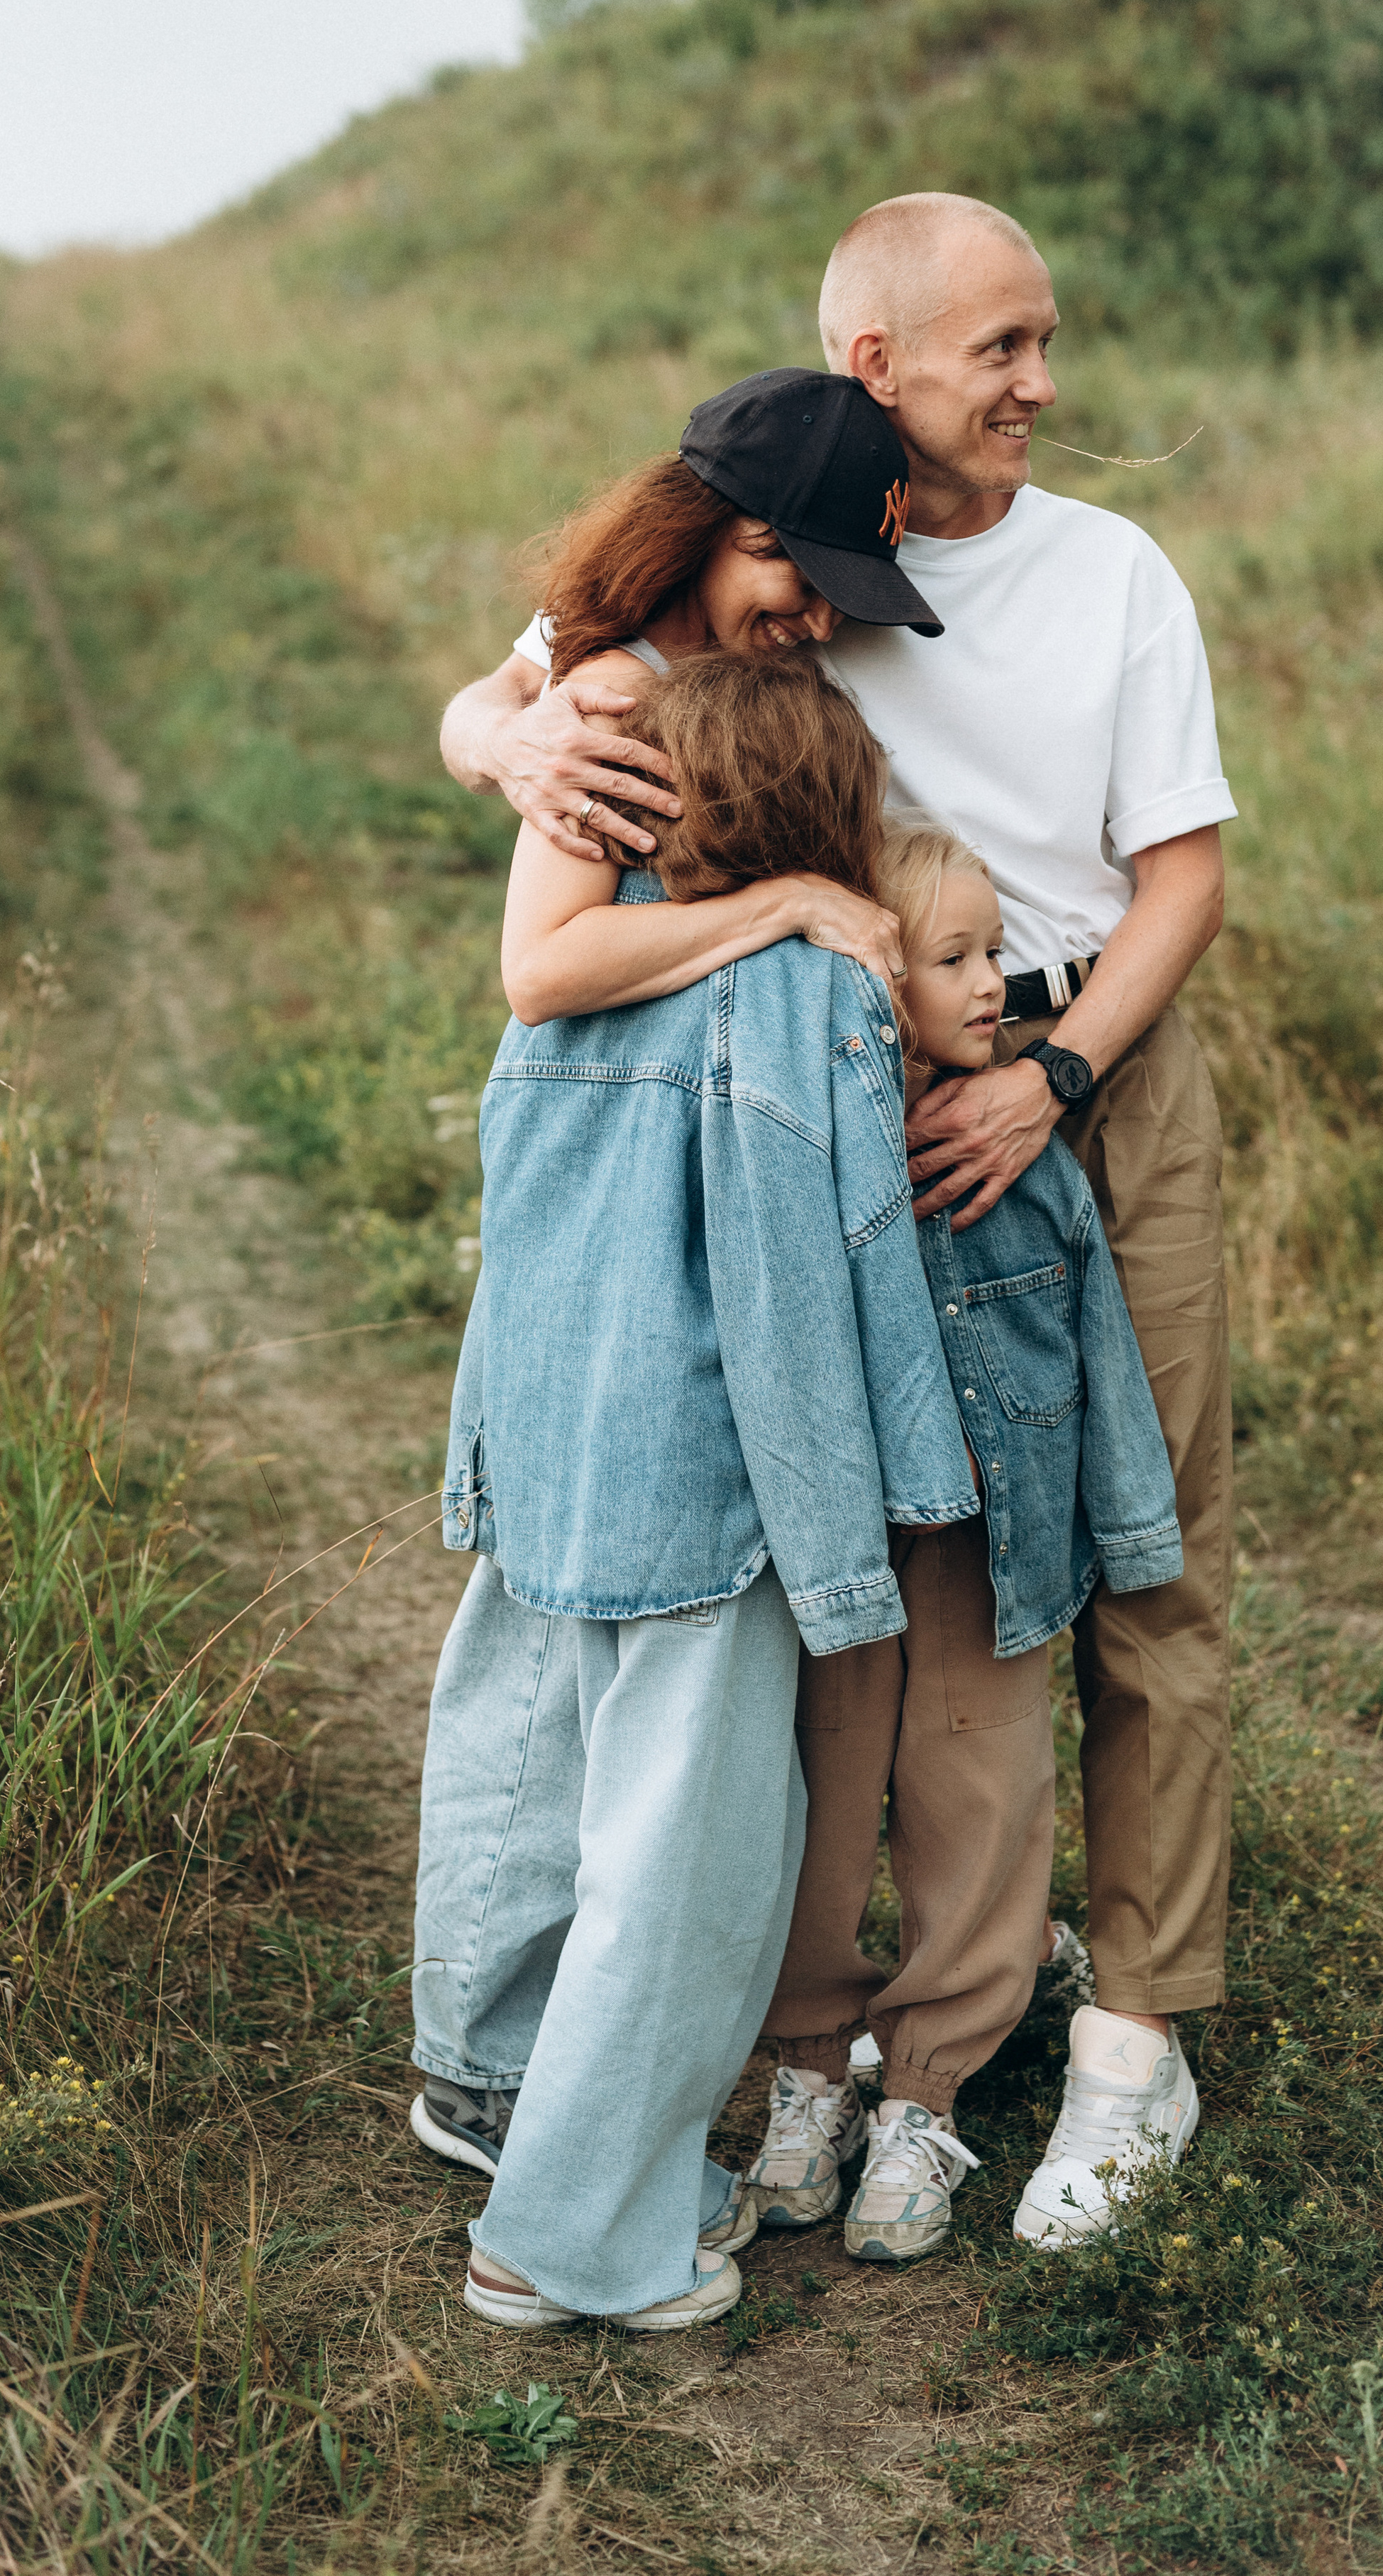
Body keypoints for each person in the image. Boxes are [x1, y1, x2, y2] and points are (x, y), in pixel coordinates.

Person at [440, 190, 1237, 2245]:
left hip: (1083, 1079)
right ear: (875, 376)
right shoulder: (793, 537)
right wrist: (511, 729)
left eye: (1046, 344)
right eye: (1005, 350)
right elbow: (536, 685)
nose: (1045, 386)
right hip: (839, 1115)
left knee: (1138, 1562)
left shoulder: (1104, 574)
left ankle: (1135, 2035)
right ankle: (826, 2040)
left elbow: (1183, 880)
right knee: (863, 1584)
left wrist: (1046, 1082)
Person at [412, 500, 975, 2328]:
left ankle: (482, 2079)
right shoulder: (802, 988)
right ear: (827, 822)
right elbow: (830, 1288)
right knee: (688, 1854)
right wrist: (895, 1490)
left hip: (546, 1421)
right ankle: (578, 2236)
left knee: (514, 1743)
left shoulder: (584, 963)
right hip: (705, 1473)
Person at [749, 822, 1188, 2262]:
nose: (993, 982)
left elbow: (1100, 1339)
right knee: (812, 1798)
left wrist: (1121, 1526)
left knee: (979, 1793)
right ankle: (807, 2068)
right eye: (953, 958)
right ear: (868, 980)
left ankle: (924, 2089)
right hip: (842, 1539)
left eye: (994, 948)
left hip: (987, 1544)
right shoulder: (805, 1134)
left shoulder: (1021, 1152)